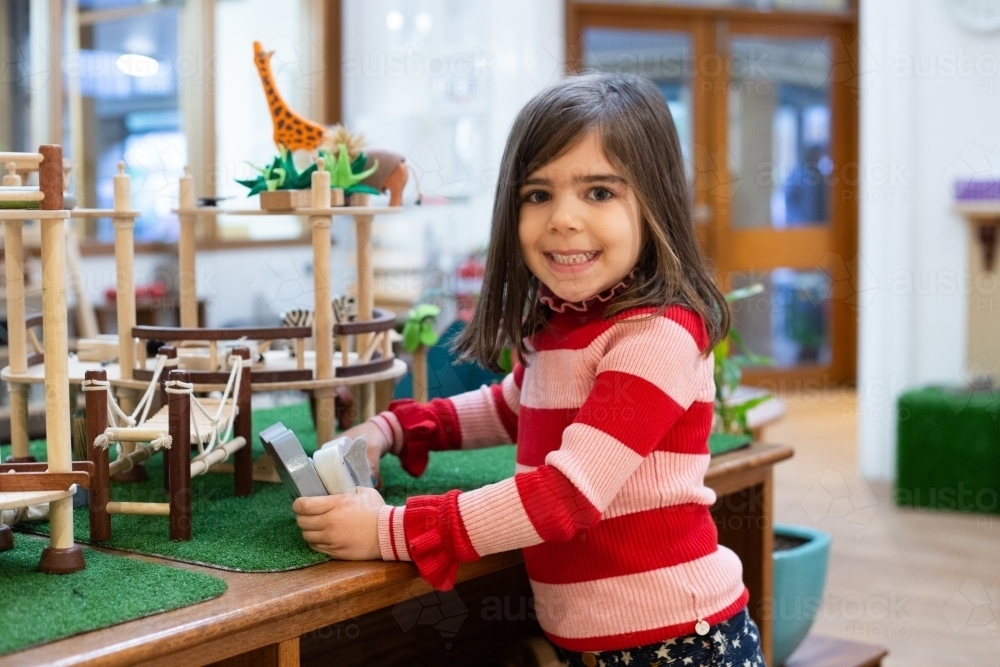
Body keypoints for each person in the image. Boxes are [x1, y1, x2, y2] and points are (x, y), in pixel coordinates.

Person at [293, 73, 766, 667]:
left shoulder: (657, 335)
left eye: (598, 192)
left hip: (678, 643)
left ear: (655, 202)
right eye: (538, 194)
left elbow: (564, 497)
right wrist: (395, 428)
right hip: (604, 645)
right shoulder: (565, 322)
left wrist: (391, 530)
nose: (562, 219)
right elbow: (513, 406)